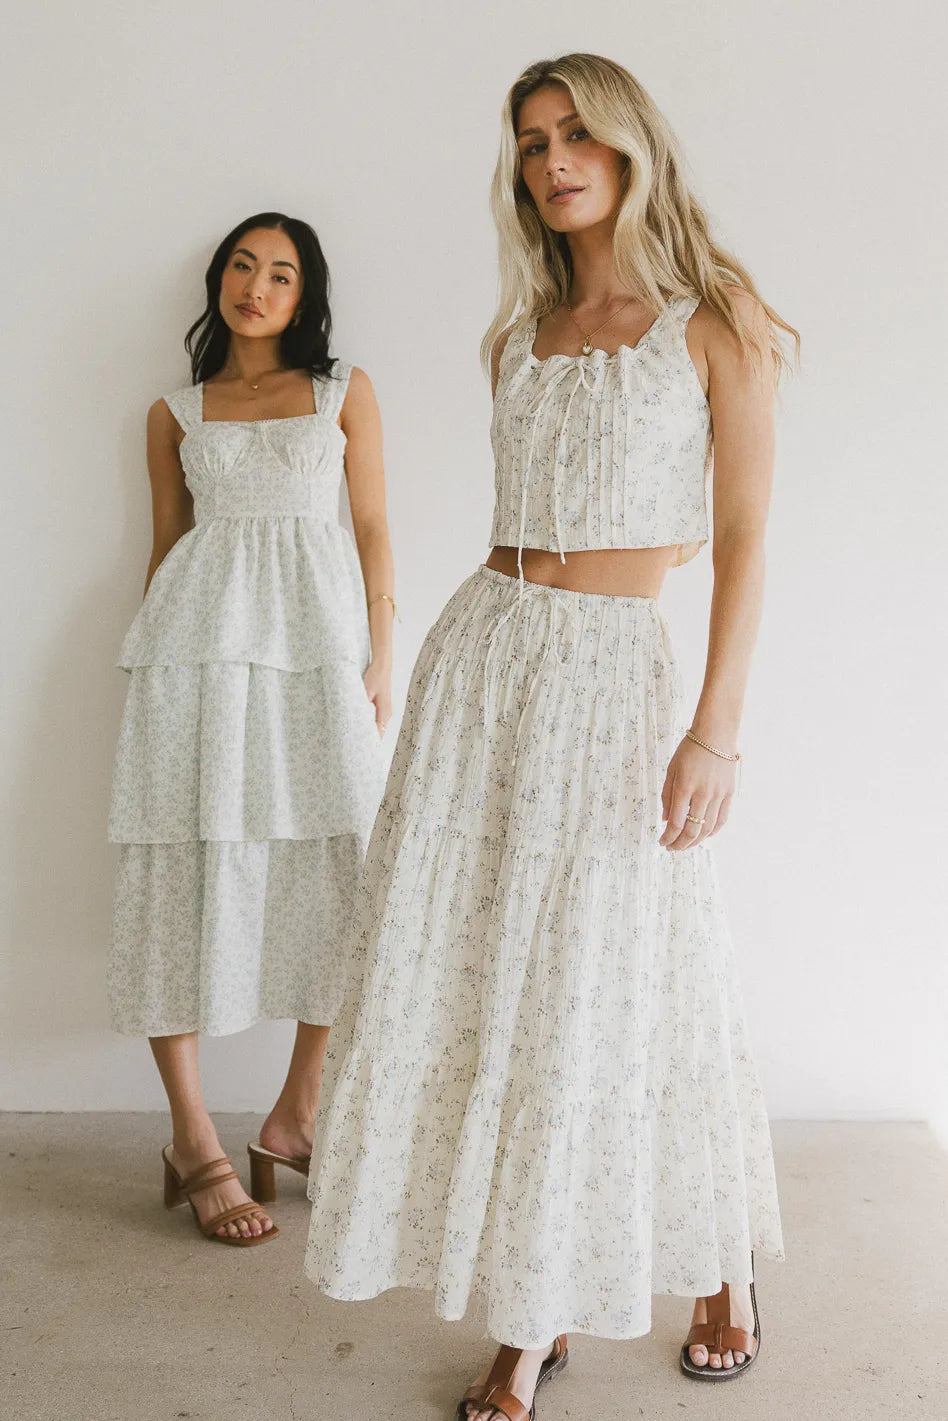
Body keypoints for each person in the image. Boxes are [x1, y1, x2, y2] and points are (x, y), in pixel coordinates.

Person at [304, 52, 794, 1410]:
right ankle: (539, 1295)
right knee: (495, 982)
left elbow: (743, 538)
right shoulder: (518, 334)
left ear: (630, 143)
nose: (553, 158)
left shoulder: (717, 319)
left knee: (619, 977)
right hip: (484, 662)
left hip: (610, 679)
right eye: (531, 141)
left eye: (576, 131)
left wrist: (717, 730)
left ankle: (703, 1269)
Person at [106, 211, 394, 1245]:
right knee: (177, 872)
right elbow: (167, 547)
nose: (256, 286)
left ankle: (295, 1112)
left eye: (280, 273)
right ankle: (193, 1138)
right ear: (218, 280)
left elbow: (371, 527)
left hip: (315, 655)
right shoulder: (174, 411)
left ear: (305, 295)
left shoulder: (341, 391)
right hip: (193, 660)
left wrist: (381, 652)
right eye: (242, 265)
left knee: (344, 866)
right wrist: (152, 673)